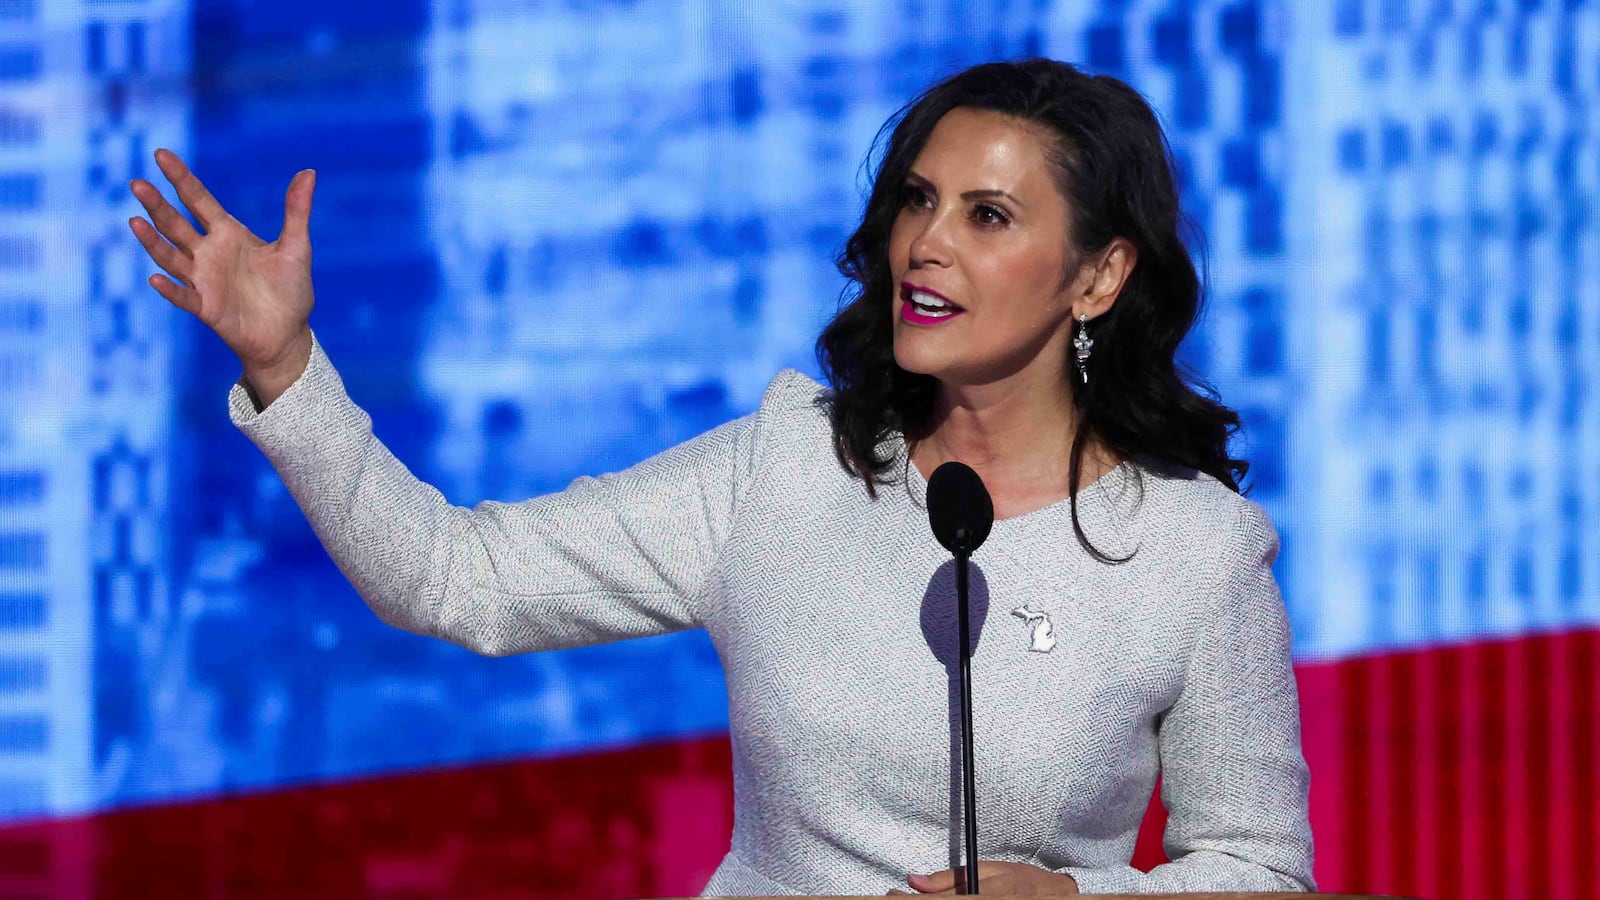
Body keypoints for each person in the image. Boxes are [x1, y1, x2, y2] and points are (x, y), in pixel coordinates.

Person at [128, 59, 1314, 896]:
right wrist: (285, 365)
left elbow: (1261, 871)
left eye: (988, 215)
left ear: (1098, 278)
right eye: (917, 199)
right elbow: (454, 577)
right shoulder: (785, 470)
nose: (927, 243)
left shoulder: (1197, 554)